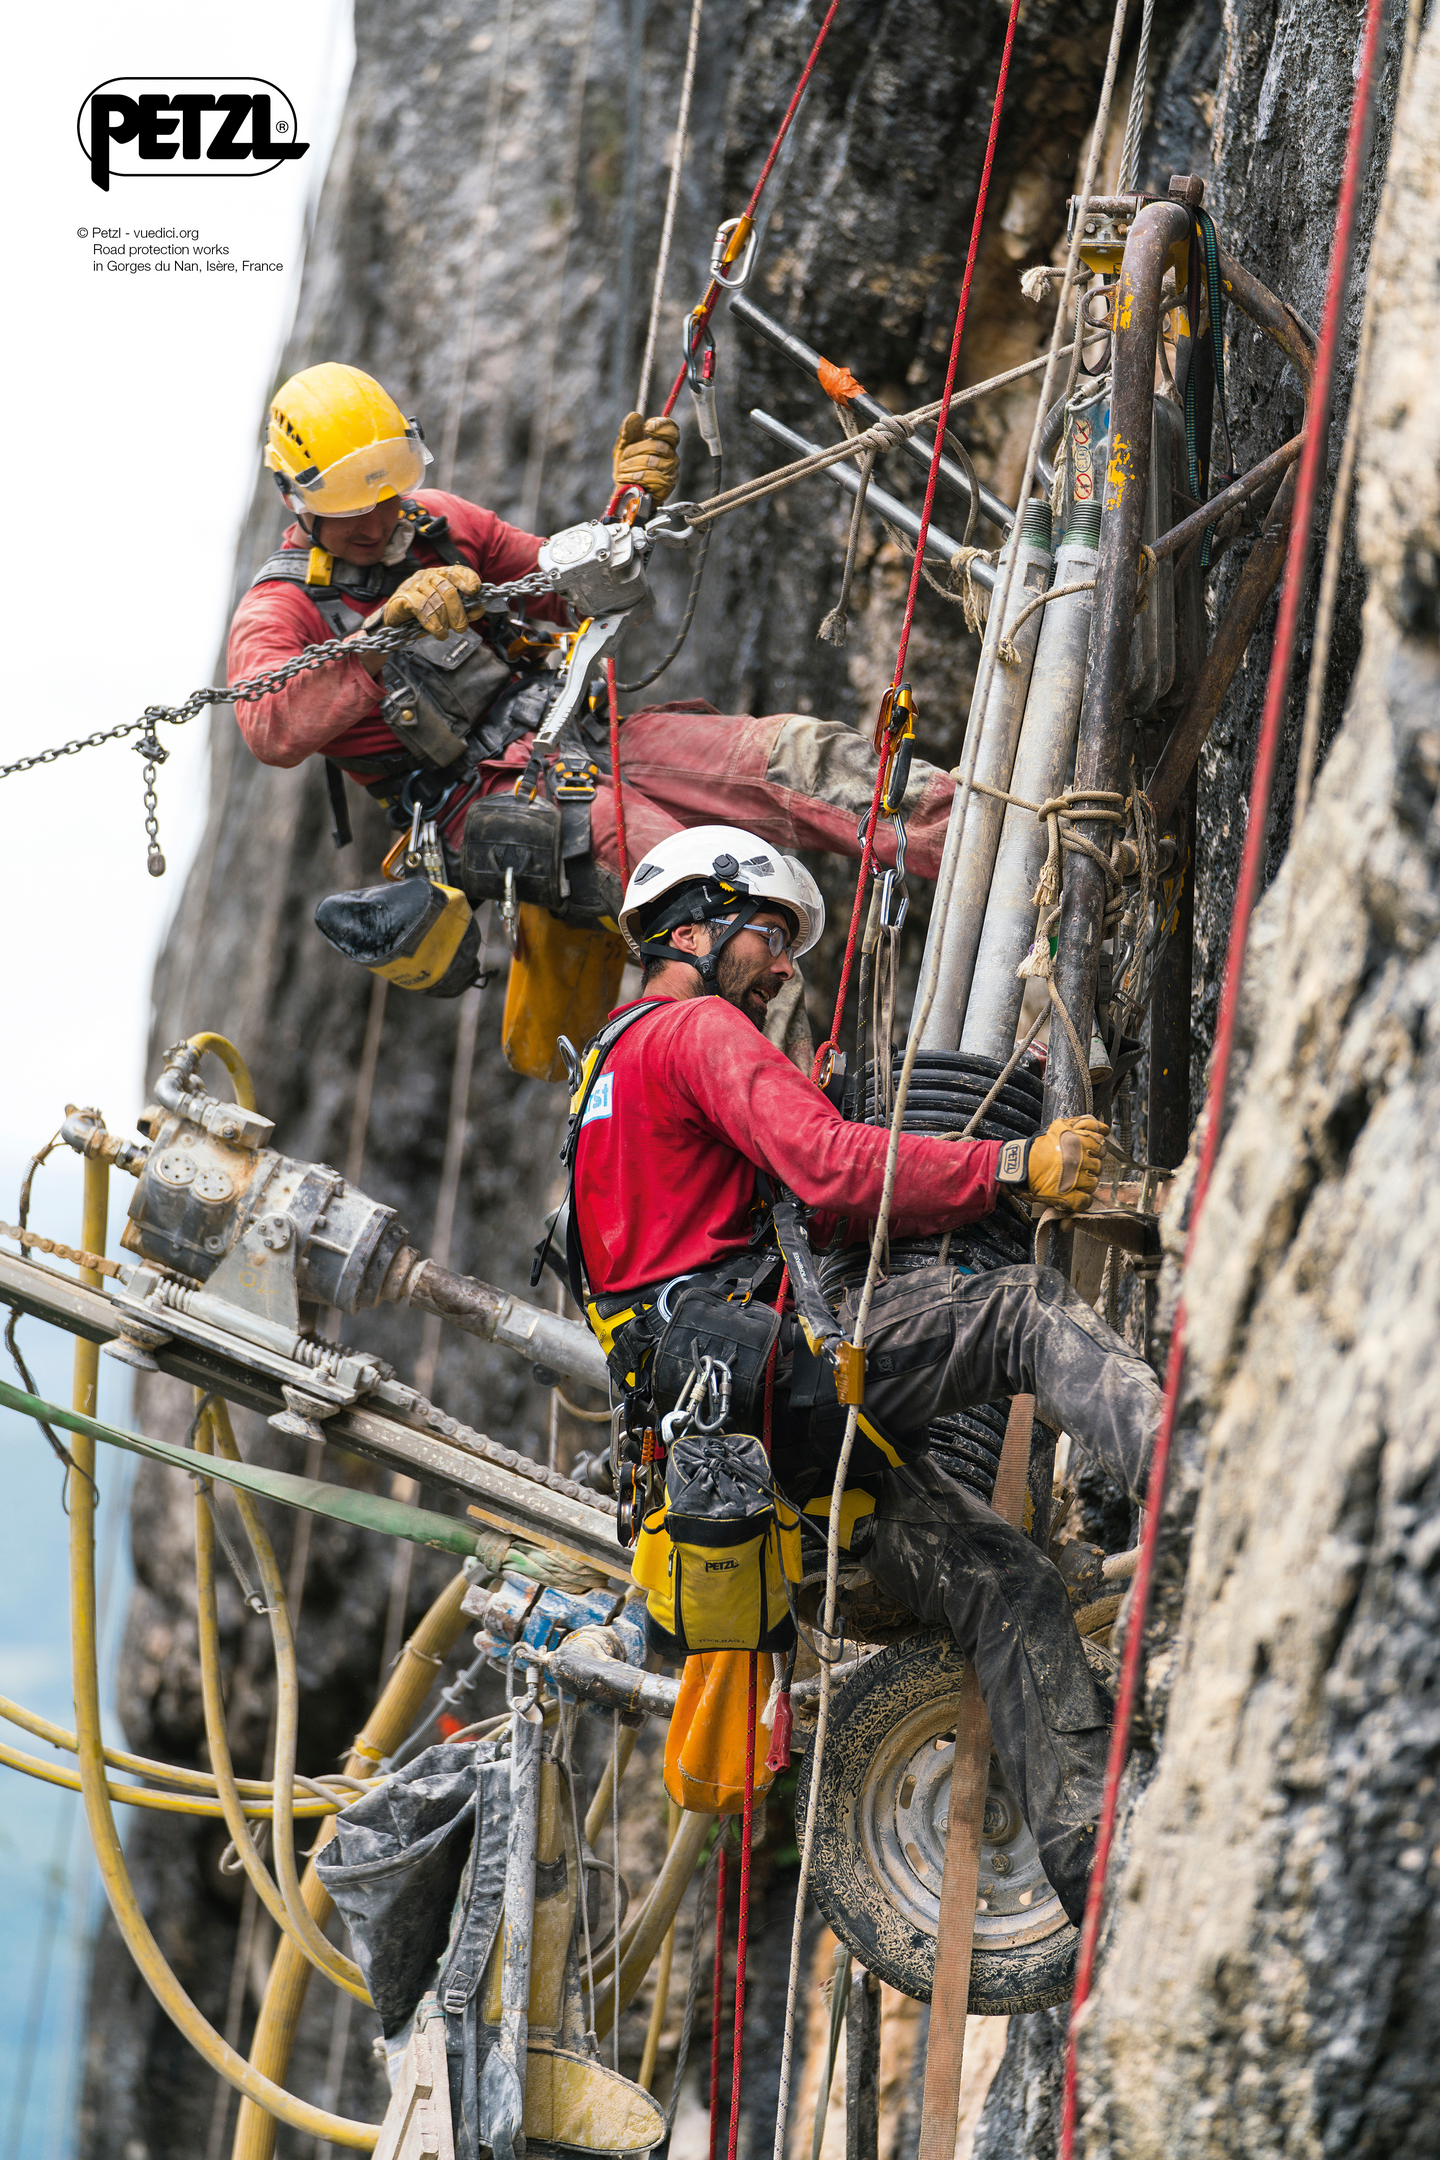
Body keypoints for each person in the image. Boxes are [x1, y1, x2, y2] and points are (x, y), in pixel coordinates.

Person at [565, 825, 1161, 1927]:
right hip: (784, 1375)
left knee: (1000, 1580)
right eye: (769, 939)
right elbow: (836, 1173)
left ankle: (1112, 1901)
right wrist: (1012, 1164)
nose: (784, 966)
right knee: (1021, 1316)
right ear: (692, 930)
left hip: (733, 1448)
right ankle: (1211, 1480)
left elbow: (785, 1206)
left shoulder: (602, 1073)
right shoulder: (694, 1030)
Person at [226, 363, 960, 923]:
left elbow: (559, 586)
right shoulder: (281, 609)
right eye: (351, 505)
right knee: (701, 892)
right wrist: (382, 636)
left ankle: (991, 839)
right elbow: (270, 727)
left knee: (801, 758)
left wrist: (627, 517)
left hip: (583, 735)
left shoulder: (438, 525)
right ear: (293, 496)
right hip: (485, 802)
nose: (378, 518)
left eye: (387, 494)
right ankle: (803, 1109)